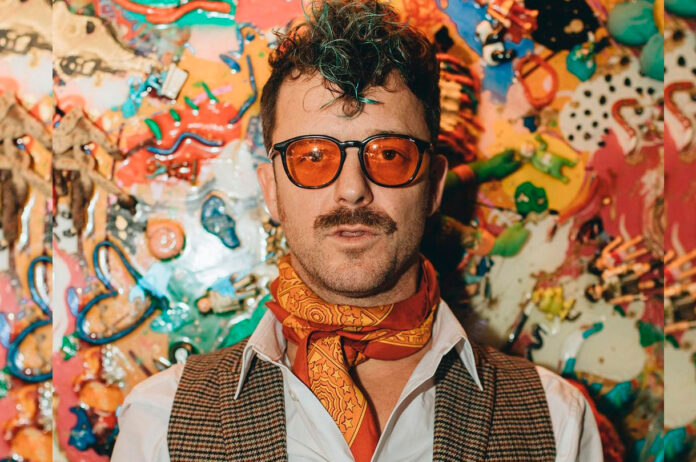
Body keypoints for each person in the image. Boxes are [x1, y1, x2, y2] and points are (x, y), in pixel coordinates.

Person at [111, 1, 602, 460]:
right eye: (312, 156)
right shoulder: (157, 424)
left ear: (433, 186)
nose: (352, 190)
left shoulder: (558, 420)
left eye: (388, 154)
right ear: (272, 191)